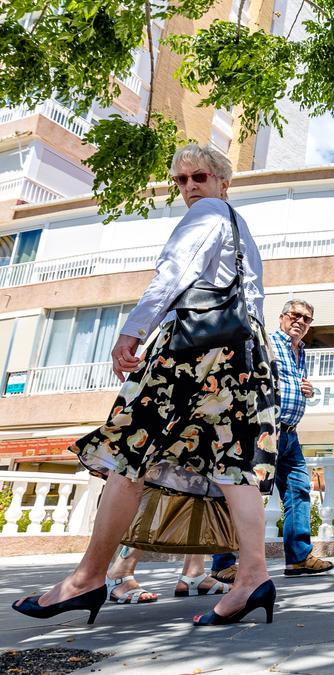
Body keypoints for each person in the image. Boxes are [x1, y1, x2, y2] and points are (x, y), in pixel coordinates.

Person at [11, 143, 277, 626]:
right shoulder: (243, 232)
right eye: (182, 181)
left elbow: (173, 275)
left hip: (191, 352)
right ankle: (253, 577)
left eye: (200, 177)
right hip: (241, 356)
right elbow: (252, 303)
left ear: (222, 183)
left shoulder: (210, 213)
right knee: (232, 467)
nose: (190, 188)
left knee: (130, 456)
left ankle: (87, 578)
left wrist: (131, 332)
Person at [210, 299, 334, 581]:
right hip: (263, 431)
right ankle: (223, 562)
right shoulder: (267, 341)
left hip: (290, 433)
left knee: (299, 491)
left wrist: (307, 390)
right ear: (282, 317)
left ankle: (299, 558)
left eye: (307, 319)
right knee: (243, 492)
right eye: (295, 315)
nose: (300, 322)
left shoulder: (300, 350)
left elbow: (290, 384)